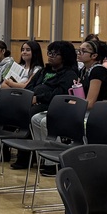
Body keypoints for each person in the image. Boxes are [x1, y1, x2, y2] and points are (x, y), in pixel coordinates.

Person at [22, 40, 80, 172]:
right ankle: (39, 156)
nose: (51, 56)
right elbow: (30, 86)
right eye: (49, 53)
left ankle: (46, 160)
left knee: (31, 114)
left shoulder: (69, 74)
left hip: (52, 105)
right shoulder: (44, 70)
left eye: (55, 54)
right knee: (20, 111)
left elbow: (59, 94)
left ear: (64, 56)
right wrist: (30, 96)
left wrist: (38, 98)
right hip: (35, 101)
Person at [76, 39, 107, 109]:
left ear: (94, 56)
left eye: (83, 51)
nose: (78, 53)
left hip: (100, 111)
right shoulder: (83, 70)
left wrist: (75, 104)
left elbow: (90, 103)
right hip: (84, 109)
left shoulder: (98, 71)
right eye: (79, 50)